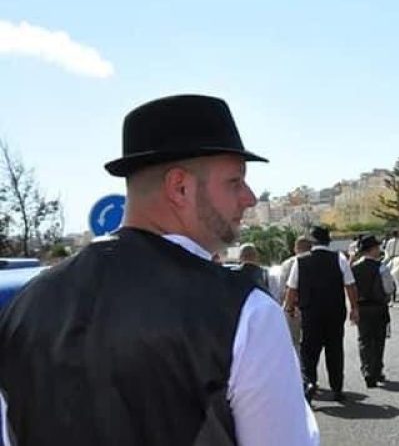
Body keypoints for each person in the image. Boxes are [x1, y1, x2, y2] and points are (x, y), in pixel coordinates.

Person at [0, 94, 318, 445]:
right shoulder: (244, 312)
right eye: (235, 181)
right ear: (179, 187)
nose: (250, 197)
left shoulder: (24, 306)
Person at [285, 226, 361, 403]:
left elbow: (292, 288)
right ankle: (337, 388)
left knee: (309, 351)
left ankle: (309, 383)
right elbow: (350, 285)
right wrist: (354, 308)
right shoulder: (339, 258)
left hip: (310, 312)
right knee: (334, 350)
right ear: (328, 241)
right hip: (334, 311)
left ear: (312, 242)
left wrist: (289, 308)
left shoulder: (300, 261)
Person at [352, 234, 395, 388]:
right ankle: (377, 371)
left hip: (362, 307)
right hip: (379, 307)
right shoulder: (381, 267)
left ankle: (367, 371)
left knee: (364, 340)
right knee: (379, 340)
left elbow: (351, 289)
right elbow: (389, 287)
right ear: (373, 249)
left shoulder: (354, 268)